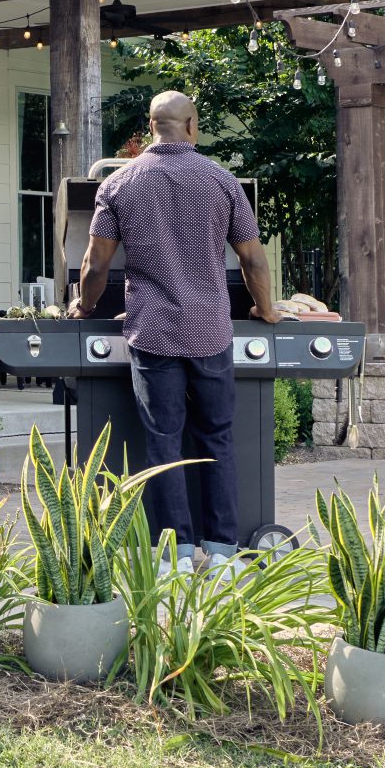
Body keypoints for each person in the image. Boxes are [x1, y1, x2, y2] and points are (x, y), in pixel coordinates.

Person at [69, 91, 278, 564]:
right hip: (210, 331)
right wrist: (266, 309)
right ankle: (223, 552)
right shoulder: (222, 181)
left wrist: (85, 307)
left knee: (163, 439)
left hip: (154, 331)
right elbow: (252, 259)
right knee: (217, 437)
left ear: (150, 127)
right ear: (191, 126)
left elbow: (95, 263)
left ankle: (178, 554)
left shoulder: (119, 184)